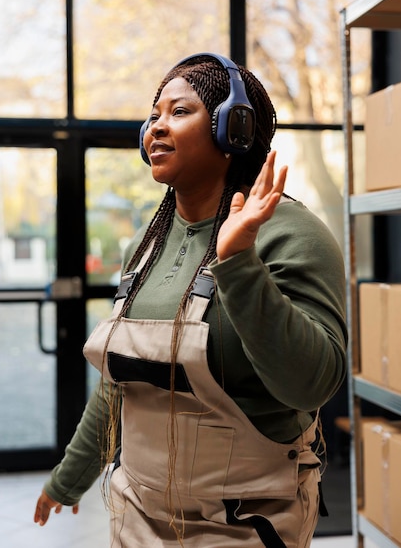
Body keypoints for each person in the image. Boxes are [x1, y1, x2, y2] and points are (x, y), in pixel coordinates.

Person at [34, 52, 347, 547]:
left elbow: (312, 384)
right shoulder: (148, 243)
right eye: (154, 115)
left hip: (244, 523)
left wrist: (240, 261)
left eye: (179, 112)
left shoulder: (294, 235)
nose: (156, 127)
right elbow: (121, 382)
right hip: (137, 514)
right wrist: (69, 477)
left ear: (234, 130)